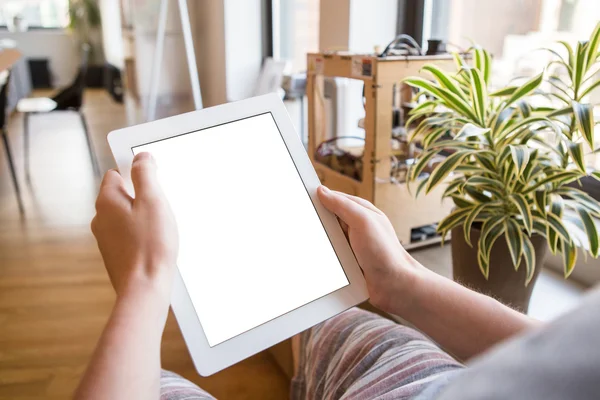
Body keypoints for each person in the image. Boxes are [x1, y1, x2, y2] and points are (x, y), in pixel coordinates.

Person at [74, 153, 600, 400]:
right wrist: (404, 281)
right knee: (334, 320)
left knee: (158, 384)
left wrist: (145, 279)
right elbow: (572, 357)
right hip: (441, 385)